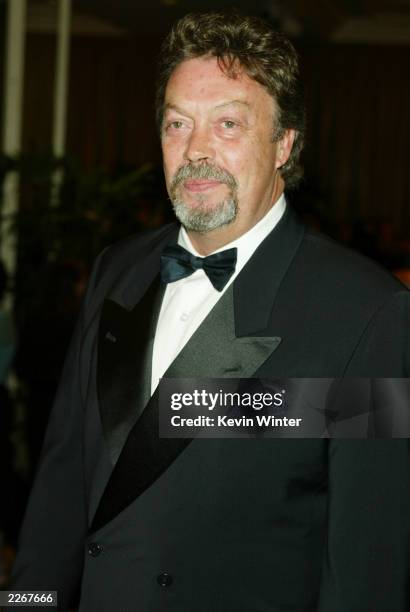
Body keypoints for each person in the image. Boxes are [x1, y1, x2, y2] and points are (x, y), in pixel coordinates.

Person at [10, 12, 409, 612]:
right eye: (177, 124)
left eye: (227, 124)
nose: (196, 150)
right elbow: (61, 494)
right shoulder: (117, 273)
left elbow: (365, 570)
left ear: (284, 144)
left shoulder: (369, 314)